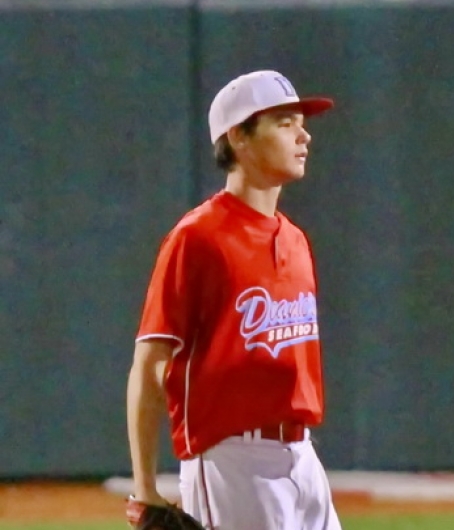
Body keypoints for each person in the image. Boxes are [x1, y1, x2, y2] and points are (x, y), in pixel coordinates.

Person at [125, 69, 341, 530]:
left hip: (302, 455)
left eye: (302, 122)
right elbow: (149, 365)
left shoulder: (296, 239)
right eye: (284, 122)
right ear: (239, 137)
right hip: (232, 460)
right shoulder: (197, 237)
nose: (304, 135)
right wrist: (144, 488)